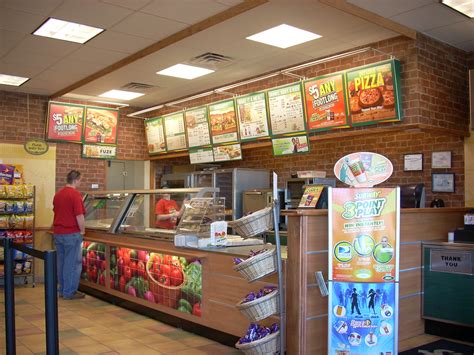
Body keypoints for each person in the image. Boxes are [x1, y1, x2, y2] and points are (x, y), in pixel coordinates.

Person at [53, 170, 86, 300]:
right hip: (71, 234)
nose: (80, 182)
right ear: (76, 180)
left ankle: (62, 290)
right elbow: (79, 216)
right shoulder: (75, 195)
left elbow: (57, 212)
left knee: (61, 262)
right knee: (72, 264)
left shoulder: (58, 194)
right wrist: (82, 231)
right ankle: (69, 292)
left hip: (58, 233)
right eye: (80, 180)